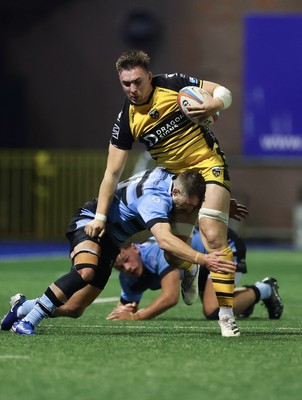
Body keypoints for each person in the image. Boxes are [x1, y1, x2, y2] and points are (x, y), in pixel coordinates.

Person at [84, 49, 239, 335]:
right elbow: (111, 174)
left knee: (212, 233)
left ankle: (226, 316)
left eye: (137, 81)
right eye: (126, 83)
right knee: (172, 257)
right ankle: (190, 270)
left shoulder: (172, 83)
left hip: (209, 164)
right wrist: (100, 217)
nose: (132, 88)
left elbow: (224, 91)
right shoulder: (127, 121)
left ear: (149, 77)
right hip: (179, 183)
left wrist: (213, 104)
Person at [1, 167, 237, 336]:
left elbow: (192, 182)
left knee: (74, 309)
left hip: (112, 241)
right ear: (175, 193)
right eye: (189, 204)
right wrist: (203, 258)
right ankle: (27, 322)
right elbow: (164, 240)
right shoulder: (154, 199)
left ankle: (21, 307)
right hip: (91, 221)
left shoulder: (172, 175)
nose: (190, 210)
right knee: (85, 272)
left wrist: (222, 206)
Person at [106, 228, 284, 322]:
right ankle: (242, 301)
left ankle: (267, 288)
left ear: (135, 248)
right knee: (214, 301)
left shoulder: (157, 253)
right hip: (199, 264)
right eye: (120, 268)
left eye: (127, 260)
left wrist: (136, 317)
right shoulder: (127, 276)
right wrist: (123, 312)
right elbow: (125, 306)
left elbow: (170, 297)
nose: (127, 268)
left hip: (223, 249)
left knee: (213, 311)